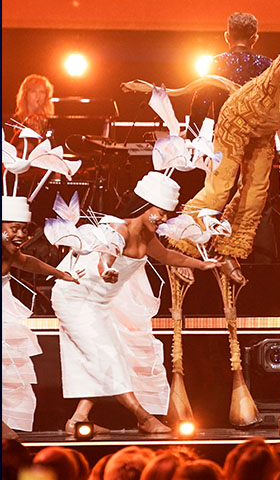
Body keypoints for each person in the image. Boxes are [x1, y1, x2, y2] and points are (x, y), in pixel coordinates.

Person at [53, 172, 219, 433]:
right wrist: (106, 268)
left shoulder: (147, 237)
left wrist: (202, 264)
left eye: (167, 214)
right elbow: (108, 252)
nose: (164, 219)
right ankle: (143, 416)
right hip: (76, 299)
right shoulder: (120, 229)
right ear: (144, 206)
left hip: (101, 303)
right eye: (160, 212)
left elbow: (166, 256)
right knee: (106, 356)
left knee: (108, 356)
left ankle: (78, 419)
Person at [2, 194, 79, 437]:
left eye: (24, 230)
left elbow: (29, 263)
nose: (21, 236)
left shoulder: (10, 254)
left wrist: (60, 274)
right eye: (14, 228)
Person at [188, 12, 273, 134]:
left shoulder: (216, 63)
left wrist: (191, 136)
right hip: (260, 142)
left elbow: (200, 104)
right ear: (255, 38)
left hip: (225, 140)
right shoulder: (268, 66)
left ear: (227, 37)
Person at [10, 74, 55, 138]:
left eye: (42, 92)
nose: (38, 96)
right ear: (25, 94)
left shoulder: (51, 122)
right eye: (33, 91)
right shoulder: (14, 121)